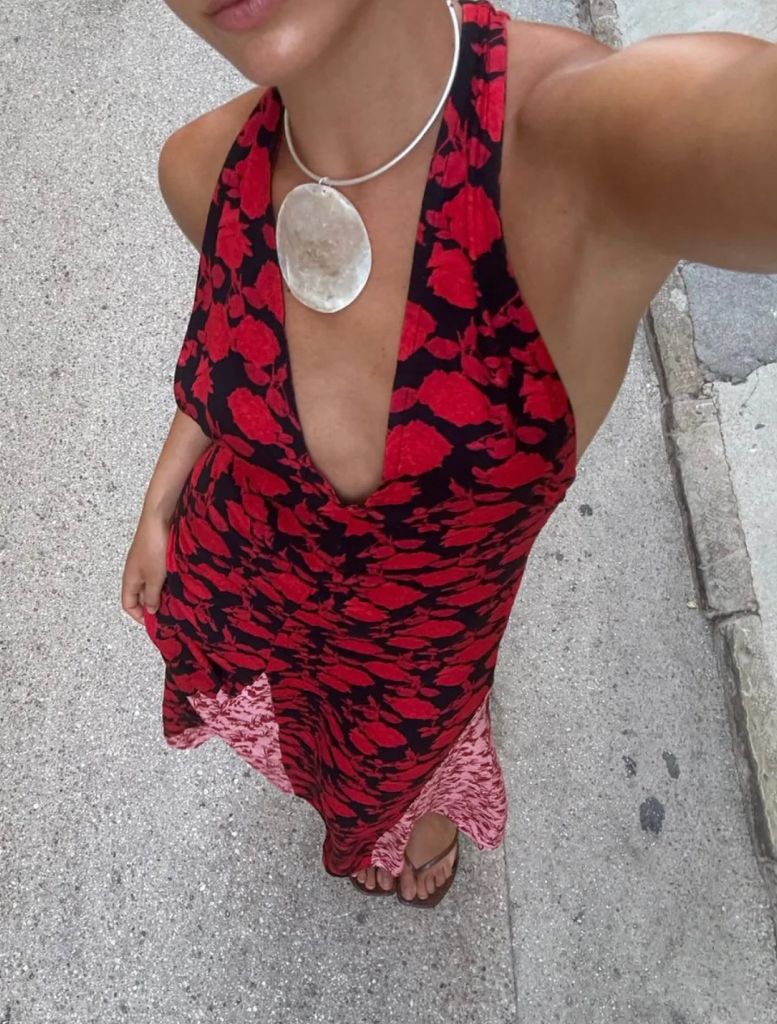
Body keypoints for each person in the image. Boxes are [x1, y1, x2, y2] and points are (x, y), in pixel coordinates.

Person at [122, 0, 777, 907]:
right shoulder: (200, 169)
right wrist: (160, 500)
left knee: (408, 766)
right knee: (317, 749)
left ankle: (420, 817)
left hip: (428, 650)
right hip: (251, 582)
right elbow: (230, 356)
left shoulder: (584, 146)